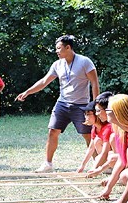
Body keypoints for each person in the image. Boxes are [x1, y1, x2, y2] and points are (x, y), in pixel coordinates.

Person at [16, 35, 99, 172]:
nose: (57, 51)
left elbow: (95, 83)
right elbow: (44, 82)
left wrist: (95, 105)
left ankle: (98, 163)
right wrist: (27, 92)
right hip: (62, 103)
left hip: (81, 105)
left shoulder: (85, 62)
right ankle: (47, 164)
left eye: (59, 48)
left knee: (88, 135)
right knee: (52, 131)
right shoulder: (57, 64)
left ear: (68, 47)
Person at [76, 101, 113, 175]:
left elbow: (105, 152)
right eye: (85, 114)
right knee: (97, 144)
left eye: (88, 114)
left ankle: (109, 168)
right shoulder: (94, 128)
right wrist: (82, 165)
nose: (85, 117)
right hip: (105, 158)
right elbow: (91, 148)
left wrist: (95, 169)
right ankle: (105, 167)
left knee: (97, 140)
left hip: (113, 158)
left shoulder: (107, 128)